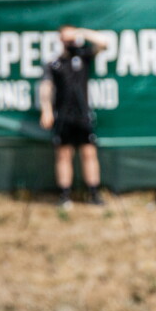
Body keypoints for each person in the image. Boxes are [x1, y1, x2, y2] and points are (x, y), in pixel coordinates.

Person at [39, 25, 108, 208]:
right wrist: (46, 109)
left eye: (71, 38)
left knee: (89, 153)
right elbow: (46, 86)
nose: (69, 42)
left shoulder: (83, 56)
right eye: (65, 39)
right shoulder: (54, 62)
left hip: (83, 115)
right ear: (59, 40)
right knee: (63, 154)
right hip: (62, 116)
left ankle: (93, 193)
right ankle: (64, 195)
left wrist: (82, 33)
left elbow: (104, 43)